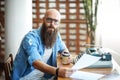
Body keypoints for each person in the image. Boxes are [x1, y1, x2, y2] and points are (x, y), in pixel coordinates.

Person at [11, 9, 76, 80]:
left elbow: (63, 49)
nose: (52, 24)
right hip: (26, 77)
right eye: (49, 20)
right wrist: (57, 71)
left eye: (56, 21)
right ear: (43, 20)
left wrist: (67, 55)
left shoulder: (56, 35)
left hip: (45, 76)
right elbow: (35, 62)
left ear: (59, 23)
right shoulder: (30, 38)